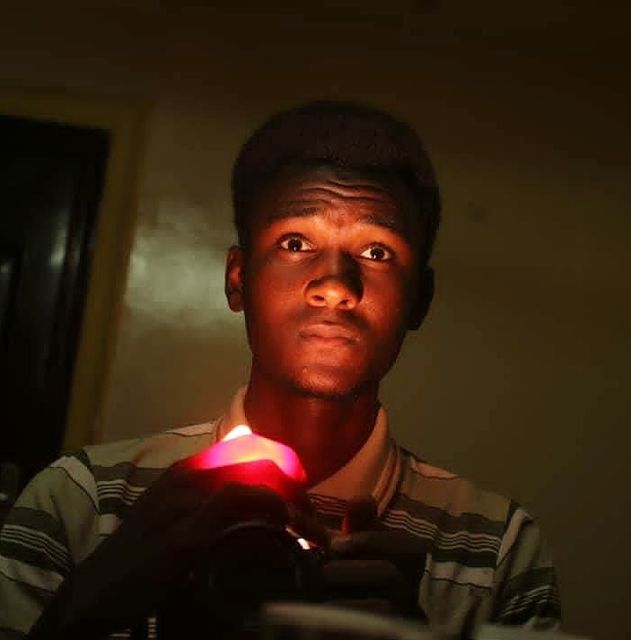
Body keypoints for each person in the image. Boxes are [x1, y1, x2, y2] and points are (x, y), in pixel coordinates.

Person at [0, 101, 560, 639]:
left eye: (377, 252)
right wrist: (88, 607)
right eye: (295, 242)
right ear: (238, 279)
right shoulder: (82, 501)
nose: (335, 286)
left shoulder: (498, 550)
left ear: (420, 300)